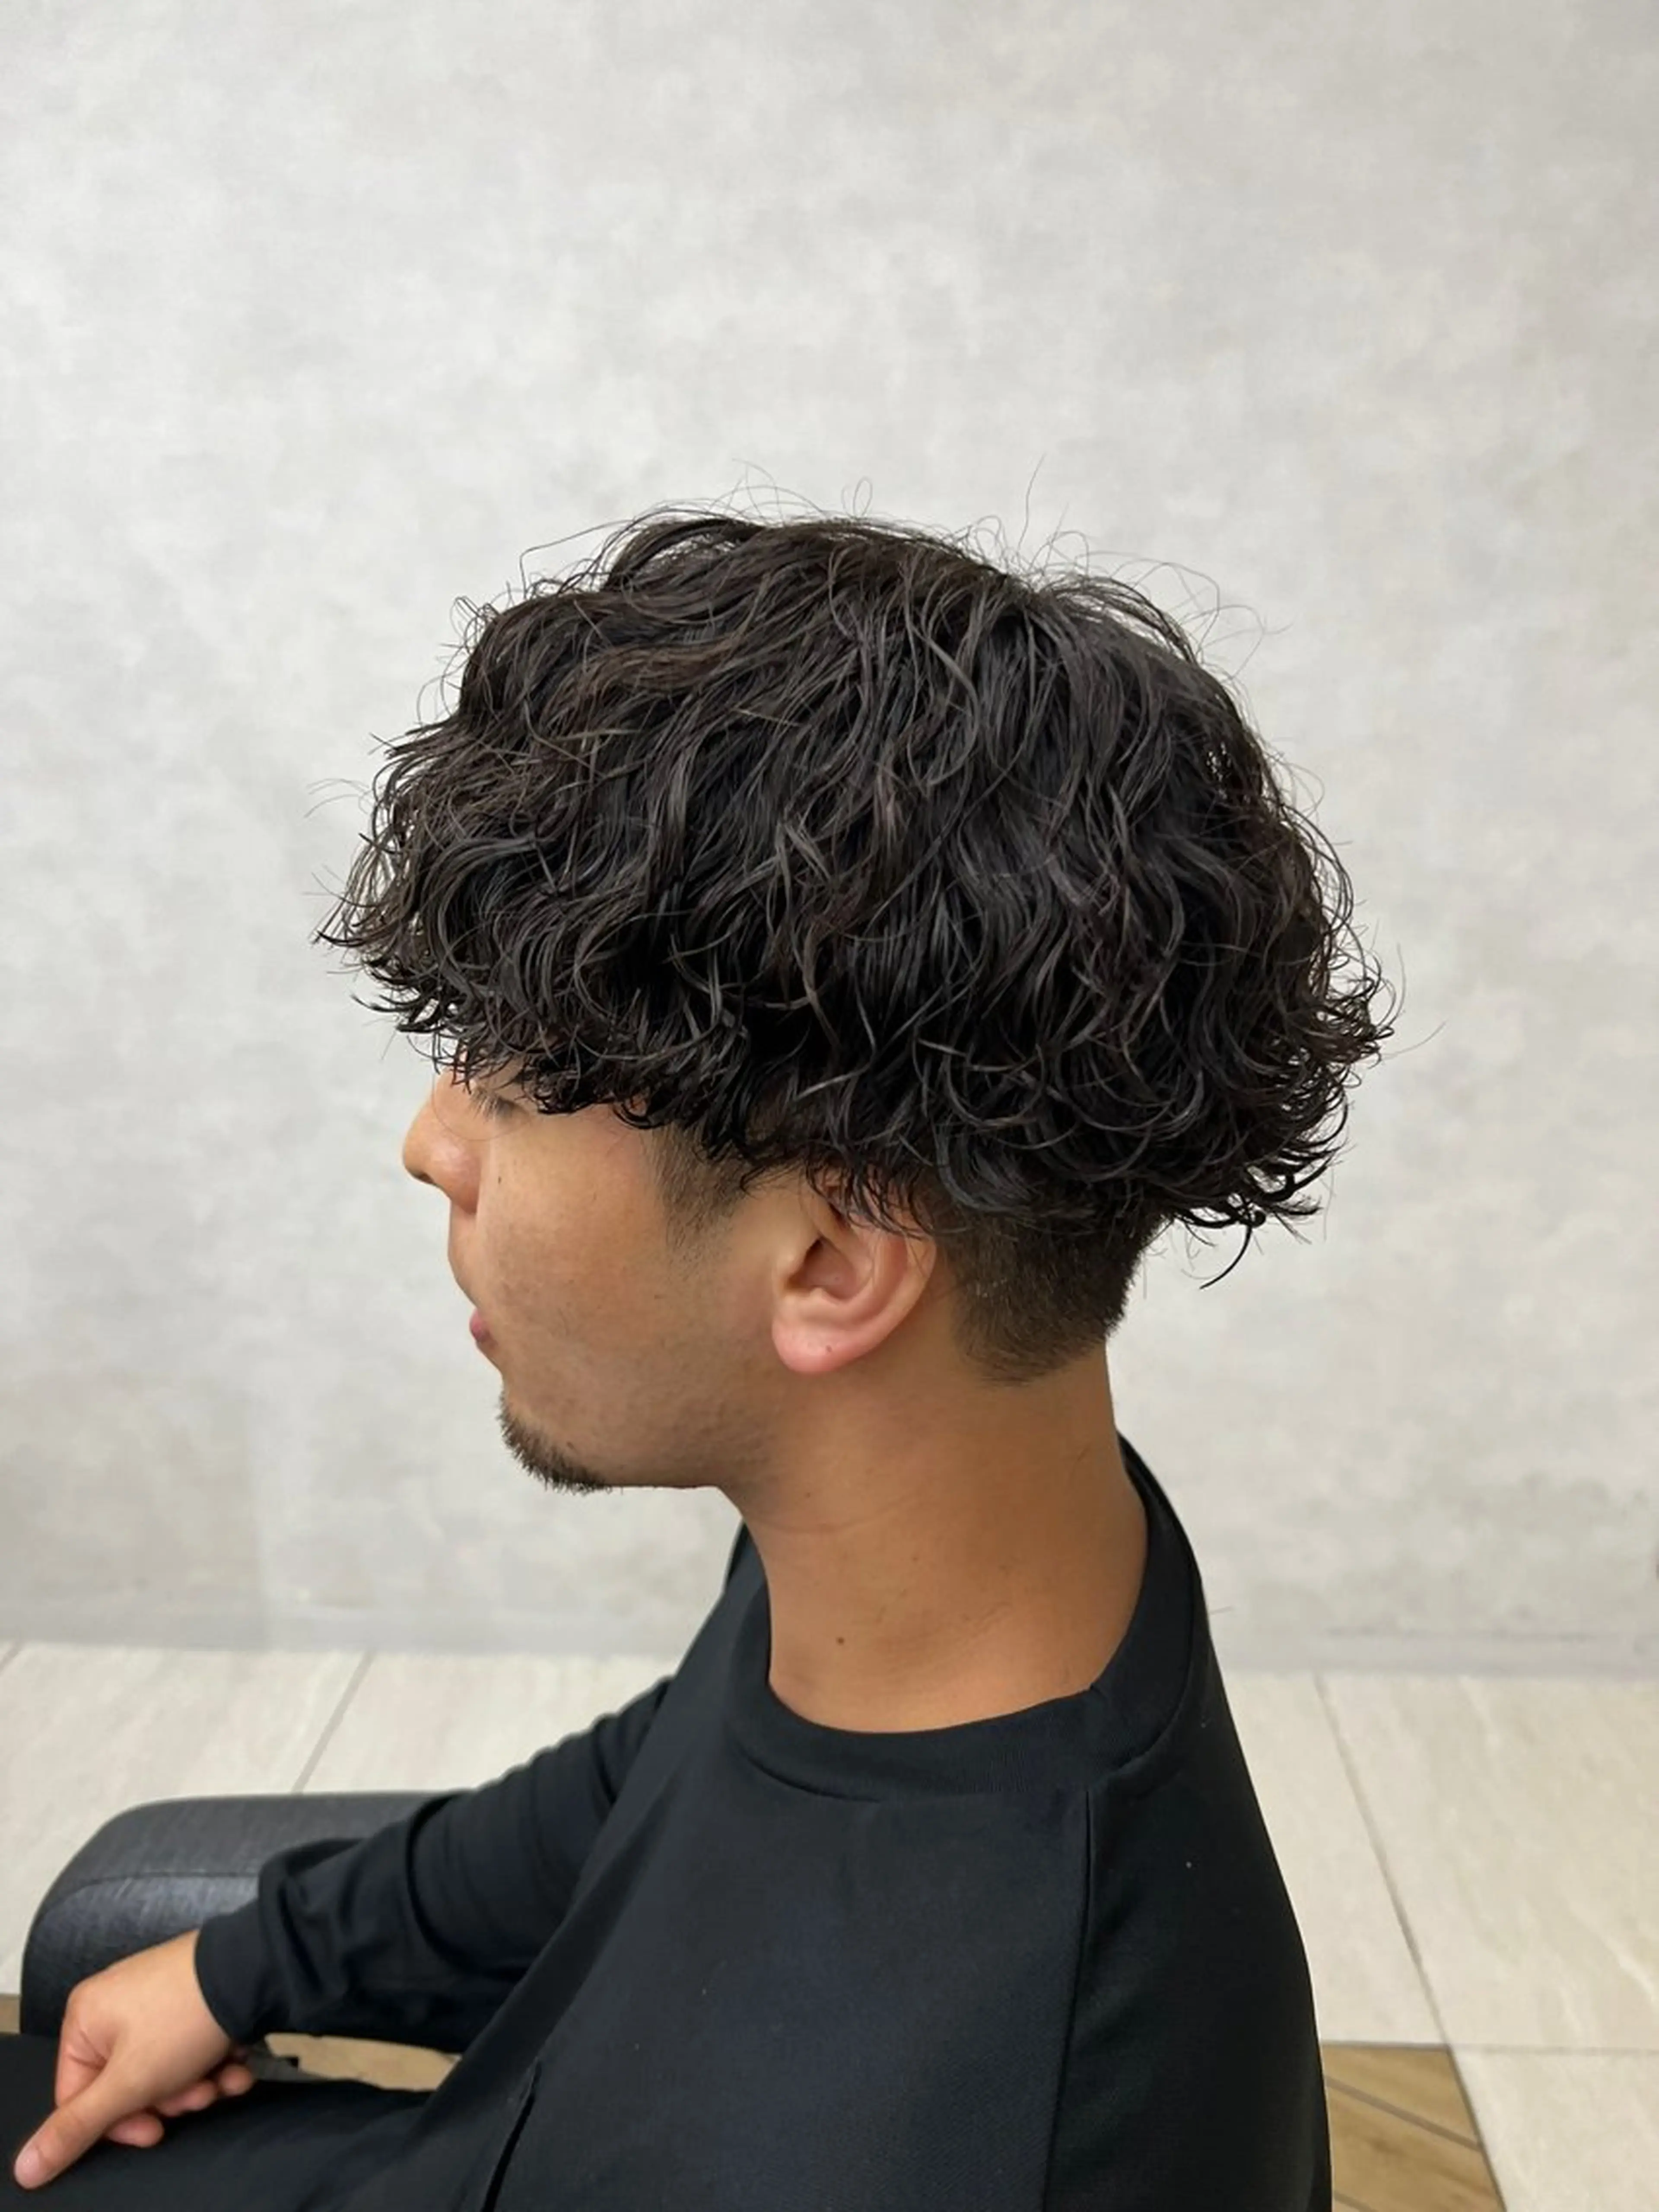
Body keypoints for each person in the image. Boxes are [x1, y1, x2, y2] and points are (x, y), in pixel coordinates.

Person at [6, 502, 1394, 2207]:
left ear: (830, 1263)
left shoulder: (934, 2139)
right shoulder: (959, 1555)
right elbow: (665, 1780)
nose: (432, 1145)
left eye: (517, 1082)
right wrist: (252, 1960)